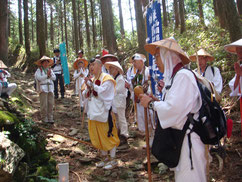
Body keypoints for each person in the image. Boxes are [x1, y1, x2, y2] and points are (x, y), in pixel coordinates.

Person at [140, 38, 206, 182]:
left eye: (157, 56)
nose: (155, 62)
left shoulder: (183, 76)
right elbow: (175, 106)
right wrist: (157, 102)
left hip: (189, 143)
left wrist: (151, 104)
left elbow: (174, 111)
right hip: (181, 141)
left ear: (167, 56)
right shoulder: (177, 78)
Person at [83, 59, 120, 170]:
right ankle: (104, 158)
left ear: (100, 66)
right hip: (93, 113)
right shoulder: (93, 79)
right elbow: (86, 94)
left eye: (93, 64)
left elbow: (104, 93)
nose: (91, 67)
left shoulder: (107, 79)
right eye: (90, 65)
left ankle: (113, 159)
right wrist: (88, 86)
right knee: (98, 136)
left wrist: (92, 85)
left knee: (108, 135)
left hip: (104, 112)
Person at [104, 61, 129, 146]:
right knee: (116, 118)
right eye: (110, 68)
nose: (110, 70)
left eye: (112, 68)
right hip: (114, 102)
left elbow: (117, 90)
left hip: (120, 101)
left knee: (121, 118)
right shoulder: (113, 78)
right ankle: (118, 133)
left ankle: (124, 135)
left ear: (117, 69)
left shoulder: (121, 79)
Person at [35, 56, 56, 123]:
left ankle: (50, 117)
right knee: (44, 104)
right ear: (42, 63)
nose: (46, 64)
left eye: (47, 62)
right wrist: (46, 76)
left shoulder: (50, 70)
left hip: (50, 88)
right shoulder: (39, 70)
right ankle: (44, 118)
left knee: (50, 103)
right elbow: (38, 78)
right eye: (44, 62)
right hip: (43, 88)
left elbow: (54, 78)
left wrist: (50, 75)